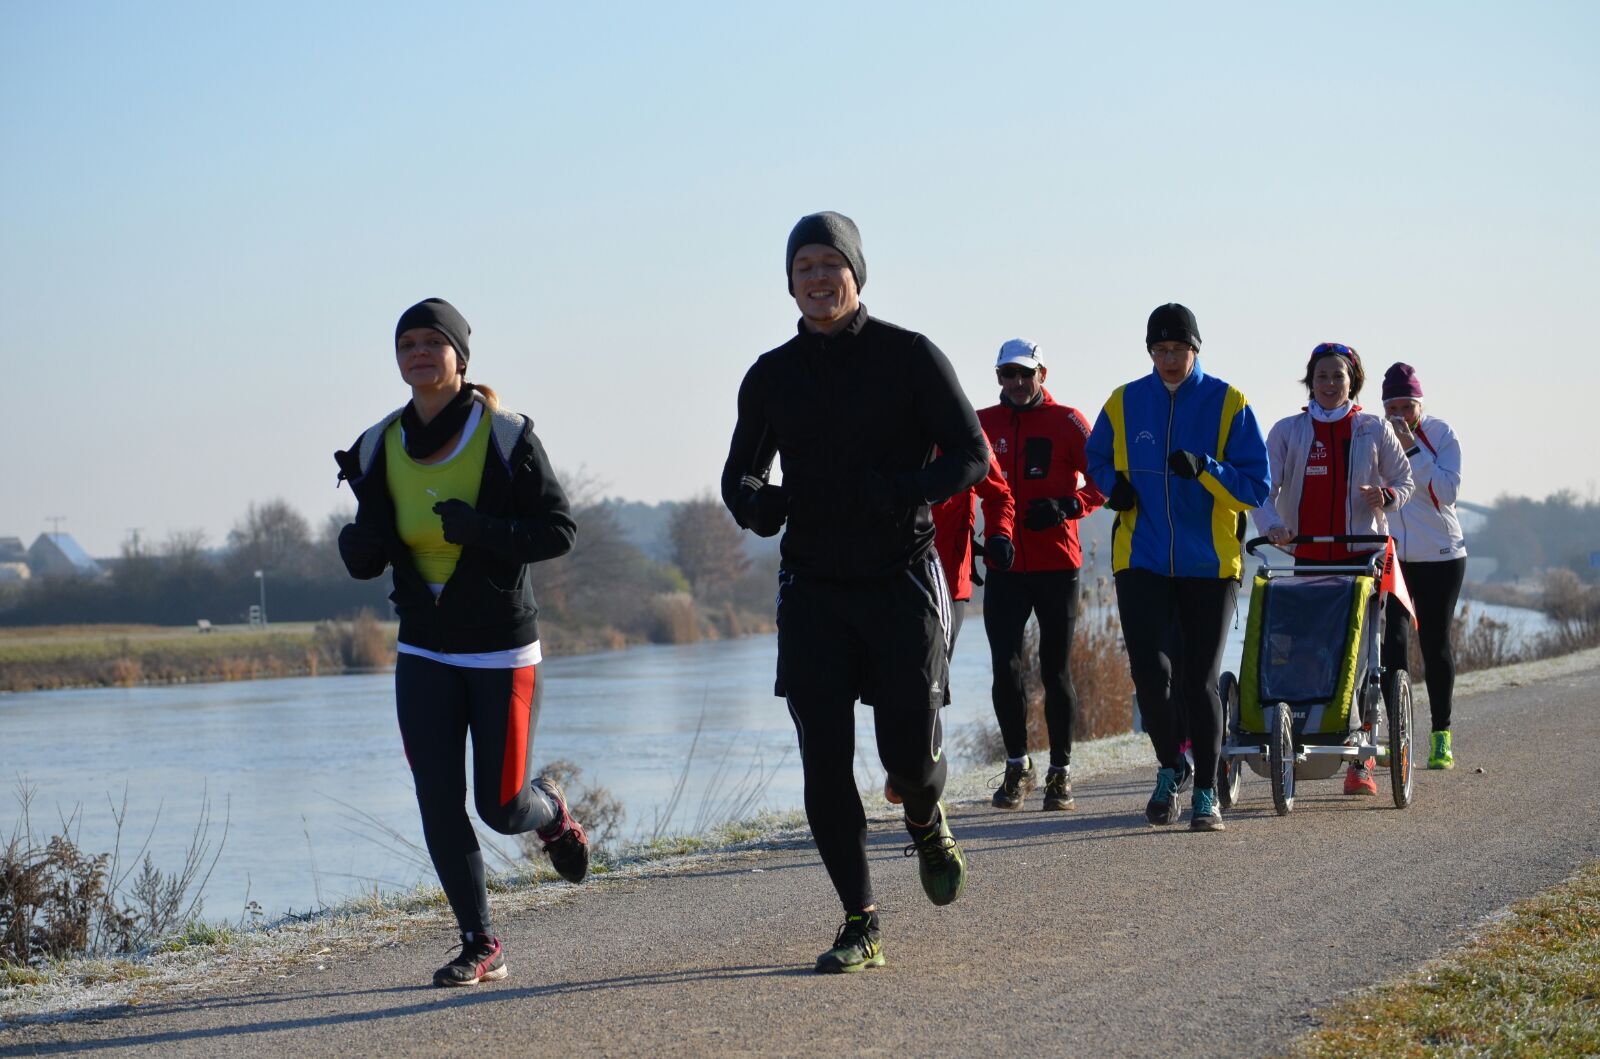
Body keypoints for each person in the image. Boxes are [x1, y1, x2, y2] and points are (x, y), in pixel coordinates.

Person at [720, 211, 990, 974]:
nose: (815, 279)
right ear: (789, 282)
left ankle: (925, 813)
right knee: (824, 760)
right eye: (801, 267)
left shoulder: (908, 356)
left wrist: (904, 488)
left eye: (828, 264)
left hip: (900, 578)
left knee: (906, 757)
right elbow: (739, 473)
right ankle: (859, 918)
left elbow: (970, 455)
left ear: (855, 273)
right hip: (812, 588)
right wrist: (755, 503)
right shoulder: (771, 374)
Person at [334, 298, 587, 987]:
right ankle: (481, 941)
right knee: (437, 798)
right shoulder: (378, 444)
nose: (418, 352)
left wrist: (483, 530)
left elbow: (559, 530)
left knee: (500, 806)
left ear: (459, 357)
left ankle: (554, 813)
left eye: (432, 342)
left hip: (501, 647)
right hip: (423, 646)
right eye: (407, 343)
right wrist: (354, 547)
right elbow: (373, 549)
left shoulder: (504, 436)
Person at [1085, 303, 1270, 832]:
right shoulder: (1124, 403)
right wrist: (1112, 489)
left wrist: (1207, 469)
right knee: (1150, 677)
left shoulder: (1228, 403)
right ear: (1150, 352)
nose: (1169, 359)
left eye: (1178, 349)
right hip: (1140, 558)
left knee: (1199, 681)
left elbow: (1256, 485)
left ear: (1196, 349)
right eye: (1160, 350)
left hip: (1208, 563)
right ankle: (1172, 768)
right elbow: (1095, 459)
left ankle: (1207, 792)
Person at [1252, 342, 1413, 795]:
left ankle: (1362, 760)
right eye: (1321, 376)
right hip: (1307, 559)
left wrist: (1387, 497)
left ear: (1352, 381)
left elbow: (1405, 481)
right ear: (1310, 381)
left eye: (1337, 376)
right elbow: (1262, 489)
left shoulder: (1372, 428)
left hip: (1362, 558)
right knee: (1307, 656)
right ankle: (1297, 744)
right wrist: (1275, 526)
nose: (1328, 384)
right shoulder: (1288, 430)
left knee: (1362, 662)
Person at [976, 339, 1105, 811]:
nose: (1015, 383)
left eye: (1024, 373)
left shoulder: (1068, 420)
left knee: (1054, 670)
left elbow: (1102, 481)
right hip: (1005, 564)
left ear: (1042, 374)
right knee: (1005, 669)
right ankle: (1017, 766)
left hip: (1057, 564)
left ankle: (1060, 773)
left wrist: (1069, 506)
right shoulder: (982, 422)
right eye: (1007, 374)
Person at [883, 436, 1015, 807]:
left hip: (950, 585)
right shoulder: (883, 425)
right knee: (893, 685)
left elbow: (999, 494)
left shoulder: (961, 431)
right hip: (890, 580)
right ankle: (904, 768)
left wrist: (1000, 534)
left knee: (930, 686)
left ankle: (922, 788)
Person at [1378, 362, 1465, 769]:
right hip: (1395, 555)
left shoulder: (1442, 434)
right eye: (1391, 407)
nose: (1399, 416)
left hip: (1442, 557)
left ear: (1419, 404)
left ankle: (1441, 735)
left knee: (1434, 642)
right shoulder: (1376, 438)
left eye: (1406, 406)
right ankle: (1396, 732)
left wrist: (1412, 447)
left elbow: (1446, 493)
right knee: (1391, 643)